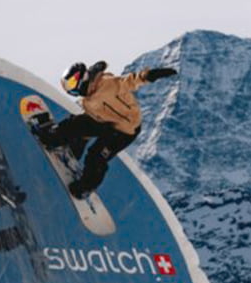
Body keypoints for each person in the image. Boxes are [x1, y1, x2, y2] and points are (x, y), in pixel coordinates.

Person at [35, 60, 177, 198]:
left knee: (96, 155)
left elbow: (132, 80)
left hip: (125, 130)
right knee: (78, 123)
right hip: (106, 122)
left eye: (73, 83)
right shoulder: (87, 99)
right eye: (68, 87)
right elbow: (85, 122)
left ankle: (87, 186)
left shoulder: (108, 84)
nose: (72, 89)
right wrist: (79, 137)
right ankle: (54, 138)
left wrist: (152, 74)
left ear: (83, 77)